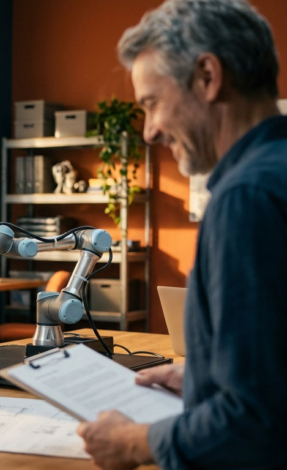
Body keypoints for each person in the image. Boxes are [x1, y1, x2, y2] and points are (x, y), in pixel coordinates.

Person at [76, 1, 287, 469]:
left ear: (208, 77)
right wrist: (207, 379)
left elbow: (254, 425)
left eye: (151, 102)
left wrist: (135, 443)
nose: (149, 131)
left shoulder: (246, 197)